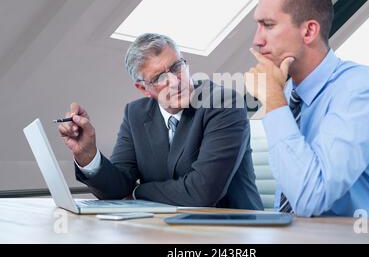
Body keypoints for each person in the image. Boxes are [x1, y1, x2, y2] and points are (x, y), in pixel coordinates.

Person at [244, 0, 369, 219]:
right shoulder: (287, 94)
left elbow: (310, 199)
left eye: (268, 25)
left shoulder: (361, 89)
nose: (257, 41)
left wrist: (272, 99)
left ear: (309, 31)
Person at [58, 33, 263, 210]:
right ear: (144, 89)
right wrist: (87, 154)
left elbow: (202, 192)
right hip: (166, 227)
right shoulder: (135, 113)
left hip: (232, 230)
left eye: (176, 67)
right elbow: (117, 188)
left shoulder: (224, 103)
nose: (174, 81)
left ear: (186, 63)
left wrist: (138, 191)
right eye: (159, 78)